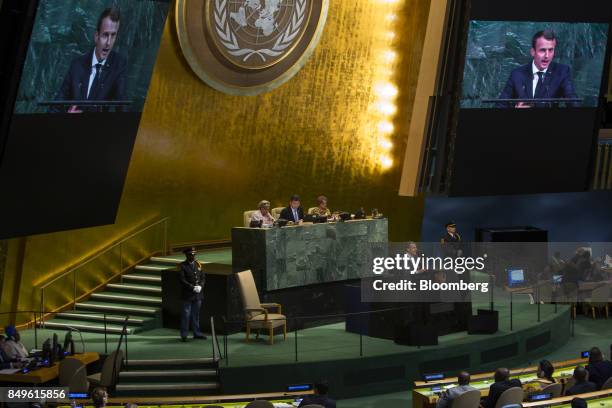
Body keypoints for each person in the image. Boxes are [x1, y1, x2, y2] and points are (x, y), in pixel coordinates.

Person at [55, 7, 127, 112]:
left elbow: (122, 111)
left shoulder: (118, 65)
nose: (108, 42)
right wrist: (67, 115)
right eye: (105, 35)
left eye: (113, 35)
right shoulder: (77, 65)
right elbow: (55, 107)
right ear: (96, 36)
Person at [497, 30, 577, 108]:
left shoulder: (562, 72)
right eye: (542, 50)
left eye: (550, 50)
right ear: (533, 52)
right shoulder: (516, 74)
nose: (547, 55)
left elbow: (573, 101)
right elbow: (500, 105)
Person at [179, 247, 206, 342]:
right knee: (186, 315)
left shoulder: (198, 264)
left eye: (194, 254)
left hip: (198, 294)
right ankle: (184, 334)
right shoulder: (182, 266)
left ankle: (197, 333)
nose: (193, 256)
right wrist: (192, 287)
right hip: (188, 294)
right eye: (191, 254)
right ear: (186, 255)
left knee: (196, 315)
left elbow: (203, 277)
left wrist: (201, 286)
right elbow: (182, 280)